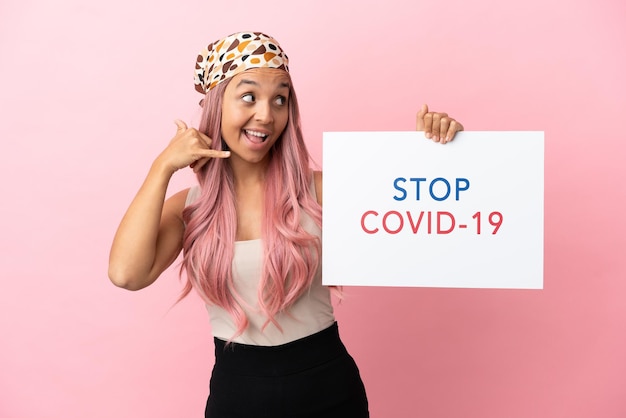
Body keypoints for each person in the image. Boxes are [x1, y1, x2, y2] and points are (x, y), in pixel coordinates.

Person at [108, 31, 463, 418]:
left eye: (280, 99)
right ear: (215, 105)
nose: (266, 114)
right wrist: (162, 166)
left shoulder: (321, 191)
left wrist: (437, 149)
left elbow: (419, 207)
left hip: (330, 391)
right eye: (249, 96)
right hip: (236, 395)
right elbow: (127, 274)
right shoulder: (190, 209)